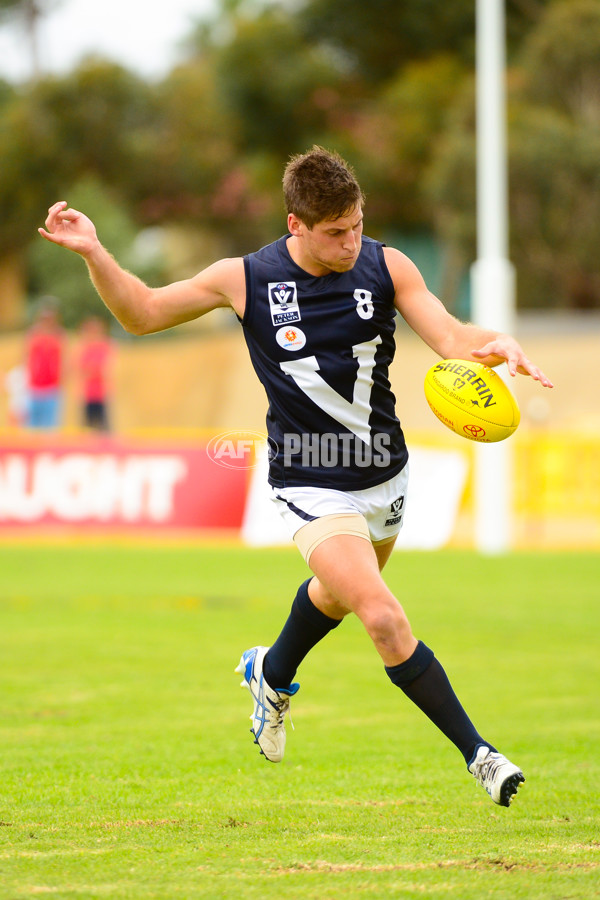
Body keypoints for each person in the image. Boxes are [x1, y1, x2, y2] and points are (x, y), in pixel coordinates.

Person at [39, 146, 553, 807]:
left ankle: (271, 672)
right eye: (335, 232)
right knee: (383, 618)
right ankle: (480, 756)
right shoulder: (245, 278)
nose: (351, 241)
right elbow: (141, 313)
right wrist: (95, 254)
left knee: (338, 597)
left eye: (357, 225)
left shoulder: (387, 264)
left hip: (385, 475)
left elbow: (453, 338)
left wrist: (496, 344)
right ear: (295, 226)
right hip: (308, 479)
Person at [25, 299, 65, 429]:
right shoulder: (33, 335)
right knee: (32, 424)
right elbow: (27, 358)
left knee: (50, 425)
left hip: (52, 386)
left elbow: (62, 360)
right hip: (34, 386)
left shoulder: (58, 336)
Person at [75, 315, 113, 432]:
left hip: (101, 393)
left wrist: (92, 369)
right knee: (87, 429)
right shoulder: (83, 346)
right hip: (87, 394)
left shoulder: (105, 345)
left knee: (104, 429)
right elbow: (81, 369)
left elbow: (105, 369)